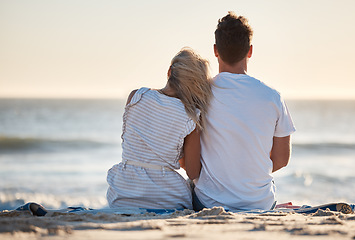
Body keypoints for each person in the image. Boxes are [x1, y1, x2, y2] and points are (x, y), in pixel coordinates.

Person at [193, 12, 296, 211]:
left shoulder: (200, 95)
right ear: (250, 51)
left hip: (209, 203)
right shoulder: (272, 96)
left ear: (215, 50)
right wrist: (249, 172)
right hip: (259, 203)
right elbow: (282, 159)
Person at [107, 47, 212, 209]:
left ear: (169, 71)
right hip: (166, 198)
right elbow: (192, 172)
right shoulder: (190, 115)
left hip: (123, 192)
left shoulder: (136, 96)